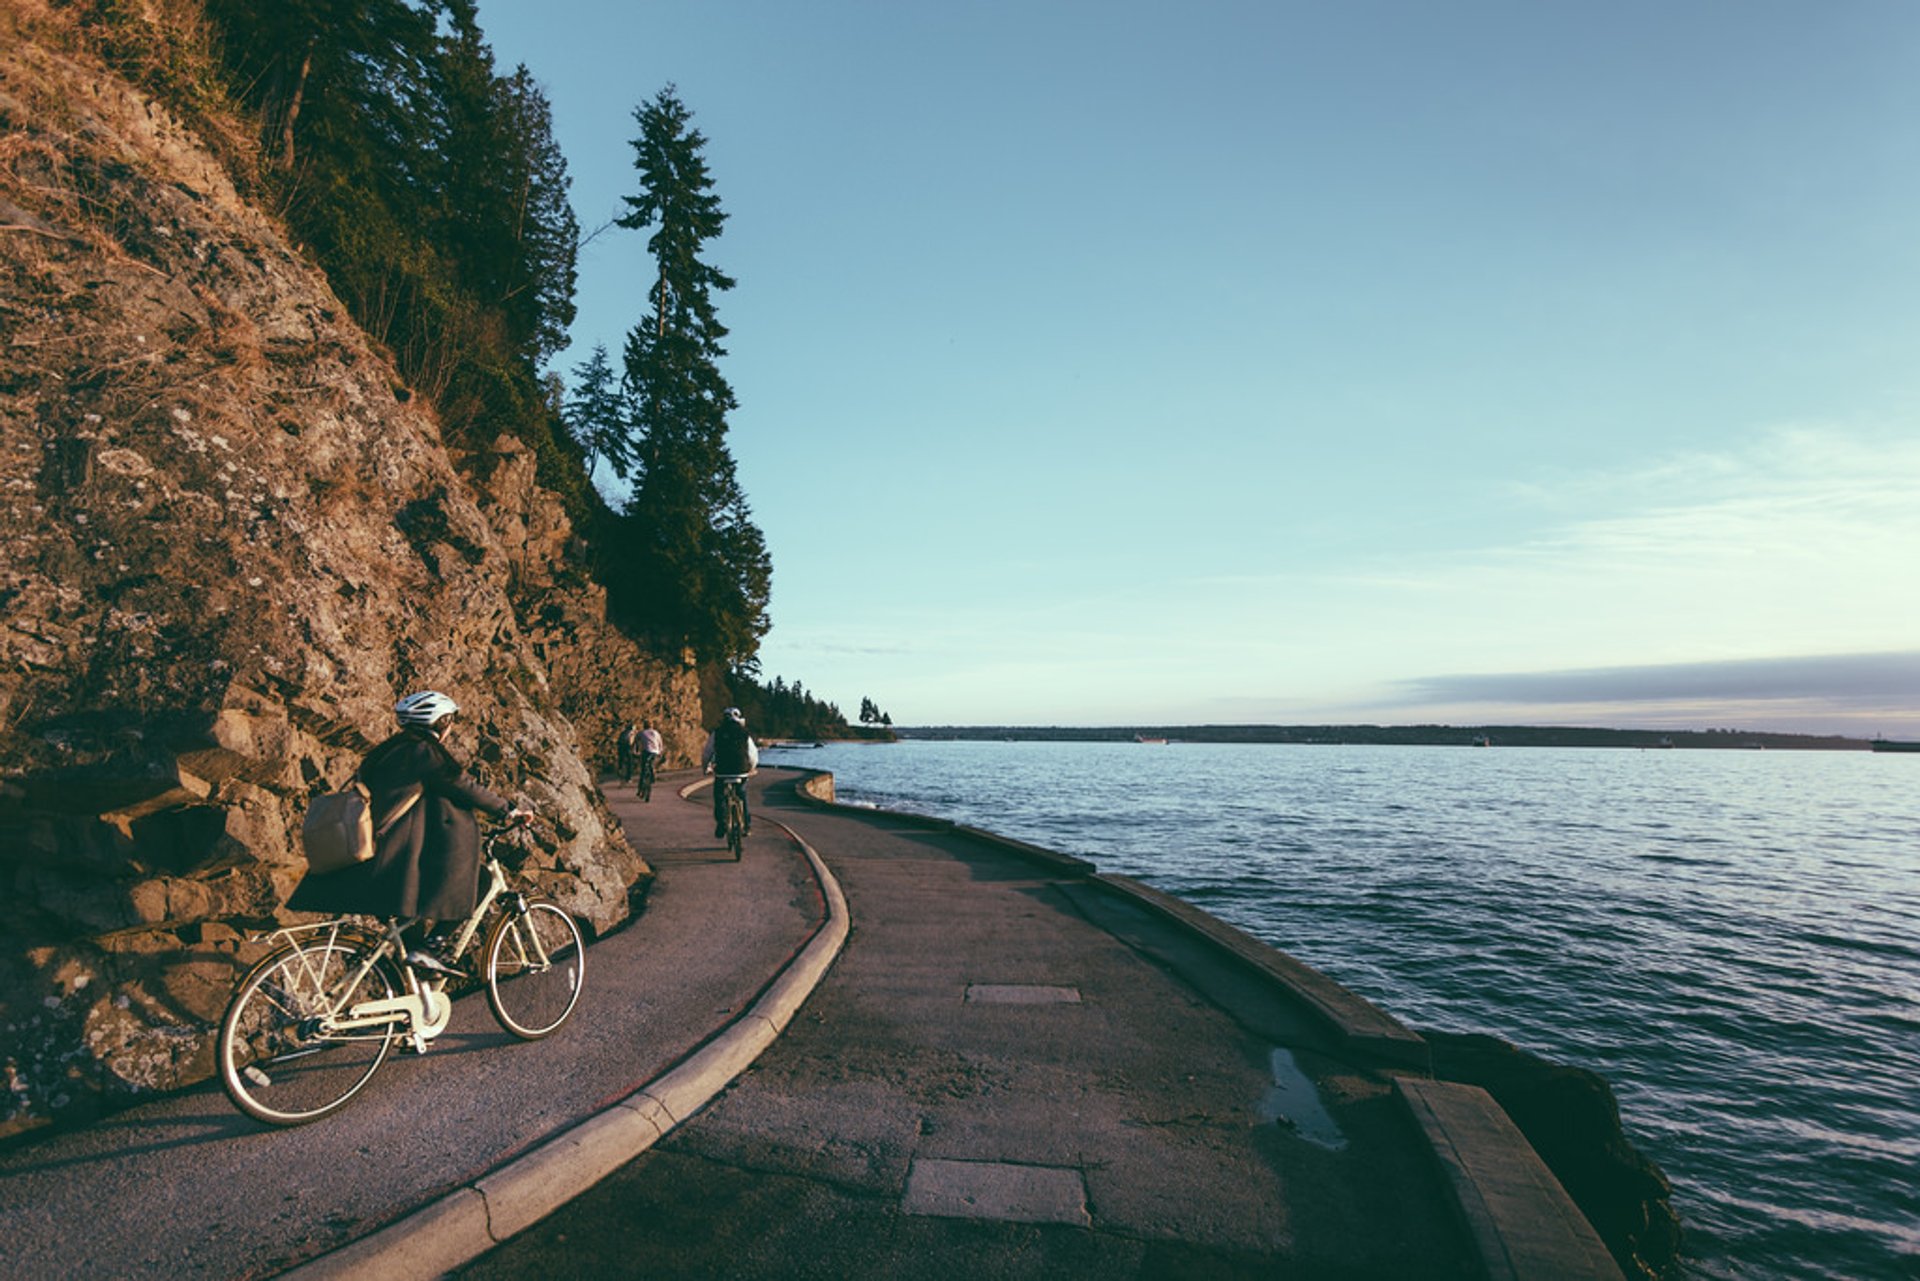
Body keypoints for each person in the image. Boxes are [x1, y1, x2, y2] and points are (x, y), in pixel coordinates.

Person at [288, 690, 531, 971]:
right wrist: (508, 810)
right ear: (441, 721)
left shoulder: (387, 751)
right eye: (449, 720)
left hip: (373, 860)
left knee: (411, 942)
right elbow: (461, 785)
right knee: (482, 881)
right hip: (396, 861)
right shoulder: (423, 751)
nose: (450, 728)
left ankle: (417, 991)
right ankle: (436, 943)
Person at [700, 707, 758, 839]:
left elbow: (707, 753)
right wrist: (751, 768)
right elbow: (752, 754)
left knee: (719, 795)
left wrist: (705, 768)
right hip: (741, 771)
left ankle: (721, 822)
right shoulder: (744, 733)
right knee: (742, 795)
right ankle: (747, 826)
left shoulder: (718, 732)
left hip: (722, 771)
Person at [636, 724, 664, 796]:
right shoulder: (656, 733)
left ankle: (639, 789)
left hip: (645, 751)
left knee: (643, 770)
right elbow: (660, 743)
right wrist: (660, 752)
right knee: (651, 763)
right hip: (655, 752)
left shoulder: (641, 732)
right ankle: (652, 776)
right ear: (652, 726)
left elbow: (635, 742)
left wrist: (636, 750)